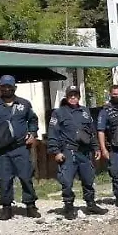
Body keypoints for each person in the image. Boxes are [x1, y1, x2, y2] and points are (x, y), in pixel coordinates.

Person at [0, 75, 41, 221]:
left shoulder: (24, 104)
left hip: (20, 148)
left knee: (26, 177)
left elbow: (33, 120)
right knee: (4, 179)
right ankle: (6, 208)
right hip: (2, 150)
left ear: (14, 88)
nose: (6, 89)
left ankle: (30, 206)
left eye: (9, 86)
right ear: (0, 87)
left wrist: (32, 134)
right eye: (4, 86)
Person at [48, 86, 107, 220]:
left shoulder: (85, 111)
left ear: (79, 96)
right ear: (66, 97)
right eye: (70, 95)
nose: (73, 97)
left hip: (84, 152)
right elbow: (53, 133)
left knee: (88, 179)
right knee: (67, 182)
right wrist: (56, 151)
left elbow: (91, 131)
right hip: (68, 152)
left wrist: (96, 147)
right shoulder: (59, 113)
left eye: (75, 95)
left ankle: (91, 204)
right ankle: (69, 207)